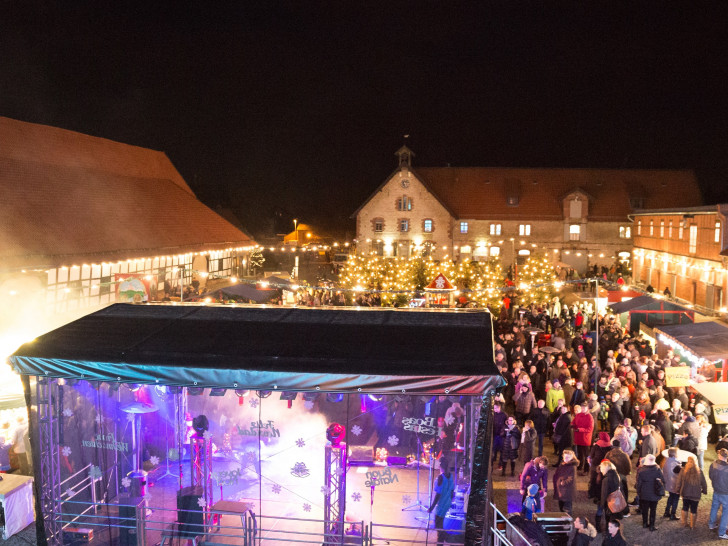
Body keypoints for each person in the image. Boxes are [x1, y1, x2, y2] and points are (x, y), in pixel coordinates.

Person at [428, 460, 455, 546]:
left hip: (440, 510)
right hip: (448, 508)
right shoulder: (451, 476)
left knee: (440, 533)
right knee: (446, 530)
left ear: (441, 467)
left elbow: (438, 495)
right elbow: (452, 492)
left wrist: (431, 507)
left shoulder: (440, 478)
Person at [635, 453, 664, 531]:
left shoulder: (641, 470)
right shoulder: (658, 469)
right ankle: (652, 525)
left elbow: (638, 484)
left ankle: (645, 523)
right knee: (653, 510)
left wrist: (639, 492)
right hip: (655, 493)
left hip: (644, 494)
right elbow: (663, 480)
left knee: (645, 509)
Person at [676, 454, 707, 529]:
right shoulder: (699, 471)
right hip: (695, 495)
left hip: (685, 493)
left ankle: (684, 523)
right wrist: (704, 490)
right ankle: (692, 526)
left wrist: (677, 490)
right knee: (694, 509)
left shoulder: (683, 470)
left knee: (685, 507)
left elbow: (678, 482)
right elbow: (704, 483)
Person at [598, 459, 622, 533]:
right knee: (614, 518)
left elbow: (604, 493)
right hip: (616, 501)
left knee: (608, 518)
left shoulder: (606, 479)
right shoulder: (616, 475)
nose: (601, 470)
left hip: (609, 502)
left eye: (602, 468)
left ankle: (608, 531)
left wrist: (602, 504)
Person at [709, 448, 728, 539]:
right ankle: (722, 532)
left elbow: (710, 476)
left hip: (716, 490)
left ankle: (711, 525)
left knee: (714, 507)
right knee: (725, 512)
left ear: (719, 455)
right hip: (725, 493)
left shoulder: (713, 464)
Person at [553, 449, 578, 515]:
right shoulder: (563, 464)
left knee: (567, 508)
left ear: (572, 457)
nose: (566, 458)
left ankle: (567, 522)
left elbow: (571, 478)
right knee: (561, 507)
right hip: (561, 490)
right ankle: (563, 521)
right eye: (565, 457)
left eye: (568, 457)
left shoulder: (572, 467)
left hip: (566, 491)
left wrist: (563, 482)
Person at [571, 404, 593, 474]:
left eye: (584, 408)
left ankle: (586, 470)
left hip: (585, 438)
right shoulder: (578, 415)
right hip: (578, 437)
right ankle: (580, 466)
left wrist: (580, 429)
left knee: (586, 455)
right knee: (580, 454)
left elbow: (590, 429)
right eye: (582, 408)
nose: (583, 409)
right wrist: (572, 425)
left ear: (588, 409)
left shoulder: (590, 417)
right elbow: (574, 422)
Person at [661, 447, 682, 521]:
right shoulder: (676, 464)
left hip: (669, 484)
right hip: (675, 484)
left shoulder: (667, 461)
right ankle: (673, 514)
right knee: (675, 499)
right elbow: (679, 473)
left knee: (670, 497)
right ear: (674, 454)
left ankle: (667, 512)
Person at [491, 403, 508, 469]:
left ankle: (500, 464)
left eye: (495, 408)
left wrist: (503, 431)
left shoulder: (504, 415)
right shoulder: (493, 414)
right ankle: (492, 462)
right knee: (494, 449)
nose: (494, 409)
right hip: (495, 434)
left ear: (499, 408)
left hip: (501, 435)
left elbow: (506, 424)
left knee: (501, 450)